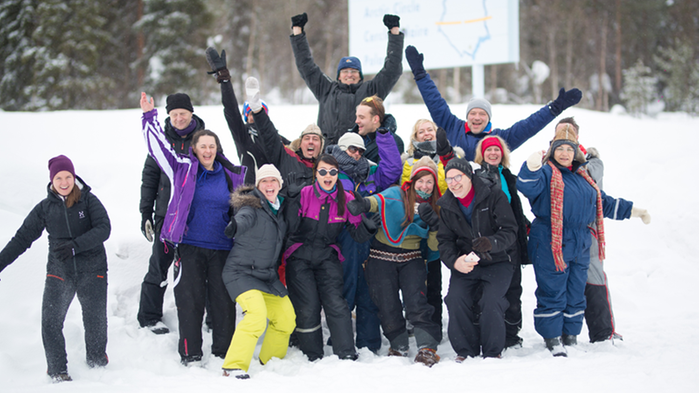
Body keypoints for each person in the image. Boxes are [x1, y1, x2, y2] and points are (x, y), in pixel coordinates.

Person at [516, 125, 651, 357]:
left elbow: (602, 201)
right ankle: (552, 337)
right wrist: (530, 167)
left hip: (580, 241)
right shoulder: (546, 172)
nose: (565, 153)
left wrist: (633, 211)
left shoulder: (583, 176)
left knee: (576, 291)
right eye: (560, 149)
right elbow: (527, 186)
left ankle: (570, 335)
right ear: (553, 151)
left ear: (576, 153)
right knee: (553, 291)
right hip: (551, 240)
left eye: (569, 149)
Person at [140, 92, 246, 365]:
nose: (208, 151)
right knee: (189, 302)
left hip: (222, 249)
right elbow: (157, 151)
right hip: (189, 247)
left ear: (217, 148)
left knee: (223, 304)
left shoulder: (231, 175)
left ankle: (224, 353)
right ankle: (190, 354)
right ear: (195, 149)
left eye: (212, 146)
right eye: (203, 147)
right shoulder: (183, 169)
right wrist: (149, 116)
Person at [0, 155, 111, 382]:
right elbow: (22, 238)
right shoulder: (45, 208)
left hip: (93, 270)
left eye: (68, 176)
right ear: (52, 180)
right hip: (60, 272)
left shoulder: (88, 201)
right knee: (50, 321)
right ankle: (58, 371)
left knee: (95, 320)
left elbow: (104, 228)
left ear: (74, 177)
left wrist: (75, 246)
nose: (64, 182)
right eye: (59, 177)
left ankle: (98, 363)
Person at [404, 45, 582, 161]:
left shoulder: (499, 139)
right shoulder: (451, 126)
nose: (477, 117)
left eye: (482, 114)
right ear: (467, 116)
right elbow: (434, 101)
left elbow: (529, 126)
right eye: (473, 113)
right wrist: (420, 74)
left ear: (488, 118)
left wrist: (554, 108)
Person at [347, 157, 442, 367]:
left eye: (429, 182)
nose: (424, 186)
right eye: (421, 180)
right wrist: (362, 204)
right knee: (387, 304)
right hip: (381, 257)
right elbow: (377, 202)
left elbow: (435, 248)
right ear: (413, 180)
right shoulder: (396, 194)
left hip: (412, 258)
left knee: (417, 303)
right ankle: (398, 345)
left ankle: (427, 347)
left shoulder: (436, 206)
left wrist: (435, 226)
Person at [283, 154, 377, 362]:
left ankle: (346, 353)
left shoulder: (347, 198)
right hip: (300, 255)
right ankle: (312, 354)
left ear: (337, 175)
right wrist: (291, 200)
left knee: (336, 302)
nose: (328, 176)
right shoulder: (305, 193)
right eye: (323, 171)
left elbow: (356, 235)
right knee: (308, 305)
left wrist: (368, 226)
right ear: (316, 173)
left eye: (332, 172)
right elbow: (289, 227)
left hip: (327, 255)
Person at [553, 117, 634, 343]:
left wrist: (590, 161)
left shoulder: (589, 163)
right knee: (560, 283)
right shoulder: (547, 162)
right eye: (561, 132)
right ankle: (558, 333)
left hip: (587, 232)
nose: (565, 136)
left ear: (577, 137)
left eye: (570, 132)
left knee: (594, 279)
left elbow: (598, 194)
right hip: (558, 234)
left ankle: (602, 332)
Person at [137, 92, 205, 334]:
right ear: (169, 115)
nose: (179, 118)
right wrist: (146, 212)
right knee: (159, 264)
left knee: (196, 268)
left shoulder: (203, 140)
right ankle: (149, 316)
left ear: (191, 113)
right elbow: (149, 178)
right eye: (174, 114)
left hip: (195, 217)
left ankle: (201, 316)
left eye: (183, 114)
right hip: (166, 215)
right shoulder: (160, 141)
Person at [329, 126, 402, 353]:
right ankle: (340, 341)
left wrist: (384, 137)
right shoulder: (331, 173)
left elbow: (392, 169)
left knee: (369, 290)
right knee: (345, 289)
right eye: (352, 149)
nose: (357, 154)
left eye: (361, 150)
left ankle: (369, 344)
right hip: (343, 238)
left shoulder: (369, 172)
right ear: (342, 149)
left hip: (370, 235)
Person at [436, 158, 518, 360]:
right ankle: (465, 351)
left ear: (469, 176)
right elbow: (445, 241)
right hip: (466, 264)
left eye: (458, 177)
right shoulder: (447, 205)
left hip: (498, 261)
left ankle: (492, 352)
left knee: (491, 300)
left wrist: (491, 243)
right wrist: (455, 262)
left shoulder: (493, 195)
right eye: (449, 179)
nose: (454, 183)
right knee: (455, 299)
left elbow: (510, 230)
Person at [220, 164, 296, 379]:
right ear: (258, 185)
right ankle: (233, 366)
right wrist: (234, 226)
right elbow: (243, 218)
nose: (269, 185)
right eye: (264, 181)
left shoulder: (279, 210)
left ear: (279, 185)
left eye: (273, 181)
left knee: (286, 318)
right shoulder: (251, 206)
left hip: (266, 276)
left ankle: (270, 361)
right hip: (241, 273)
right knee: (256, 316)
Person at [290, 12, 404, 145]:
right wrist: (297, 32)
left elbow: (392, 70)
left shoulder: (371, 90)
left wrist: (394, 32)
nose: (349, 75)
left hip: (361, 154)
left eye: (354, 71)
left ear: (360, 75)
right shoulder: (326, 89)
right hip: (330, 155)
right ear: (338, 75)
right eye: (345, 71)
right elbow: (306, 66)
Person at [400, 123, 463, 338]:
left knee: (434, 278)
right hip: (413, 220)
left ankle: (434, 323)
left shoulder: (448, 157)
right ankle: (412, 318)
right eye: (421, 131)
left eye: (430, 129)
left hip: (439, 212)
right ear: (414, 136)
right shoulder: (407, 160)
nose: (427, 134)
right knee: (413, 280)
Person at [472, 136, 531, 349]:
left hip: (512, 239)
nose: (493, 153)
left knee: (514, 289)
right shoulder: (475, 176)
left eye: (497, 150)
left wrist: (524, 223)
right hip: (488, 240)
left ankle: (511, 334)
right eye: (489, 150)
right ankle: (485, 331)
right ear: (482, 154)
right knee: (487, 289)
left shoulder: (507, 176)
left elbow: (513, 205)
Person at [205, 47, 289, 185]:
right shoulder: (242, 134)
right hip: (251, 192)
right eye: (249, 114)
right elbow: (231, 110)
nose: (253, 117)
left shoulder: (277, 138)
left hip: (275, 192)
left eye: (256, 113)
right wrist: (224, 80)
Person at [244, 77, 323, 195]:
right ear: (300, 144)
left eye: (315, 139)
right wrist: (257, 111)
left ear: (321, 145)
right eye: (307, 138)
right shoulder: (287, 157)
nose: (311, 141)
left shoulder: (327, 166)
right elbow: (270, 136)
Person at [346, 95, 404, 163]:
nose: (356, 121)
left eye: (361, 117)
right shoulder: (349, 139)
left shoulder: (393, 142)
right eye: (357, 117)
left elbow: (385, 171)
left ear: (375, 119)